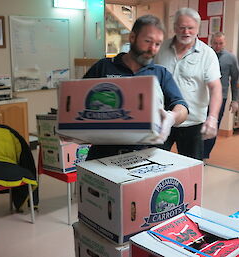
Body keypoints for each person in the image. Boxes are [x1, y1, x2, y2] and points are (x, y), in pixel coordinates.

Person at [83, 14, 189, 160]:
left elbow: (182, 107)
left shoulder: (160, 73)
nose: (152, 49)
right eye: (147, 41)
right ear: (132, 37)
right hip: (102, 155)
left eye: (158, 44)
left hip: (145, 155)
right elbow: (79, 100)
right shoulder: (104, 67)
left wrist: (172, 117)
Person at [154, 8, 222, 160]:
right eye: (182, 27)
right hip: (162, 119)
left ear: (198, 28)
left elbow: (215, 87)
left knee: (191, 170)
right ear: (174, 27)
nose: (186, 32)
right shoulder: (160, 48)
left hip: (193, 123)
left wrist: (212, 118)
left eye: (190, 28)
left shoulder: (207, 54)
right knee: (154, 164)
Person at [203, 32, 239, 160]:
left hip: (220, 97)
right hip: (203, 96)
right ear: (211, 42)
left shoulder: (231, 58)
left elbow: (235, 80)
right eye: (215, 43)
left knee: (213, 126)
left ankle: (204, 154)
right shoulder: (205, 53)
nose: (218, 46)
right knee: (199, 125)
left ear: (225, 43)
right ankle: (195, 153)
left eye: (221, 43)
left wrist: (235, 100)